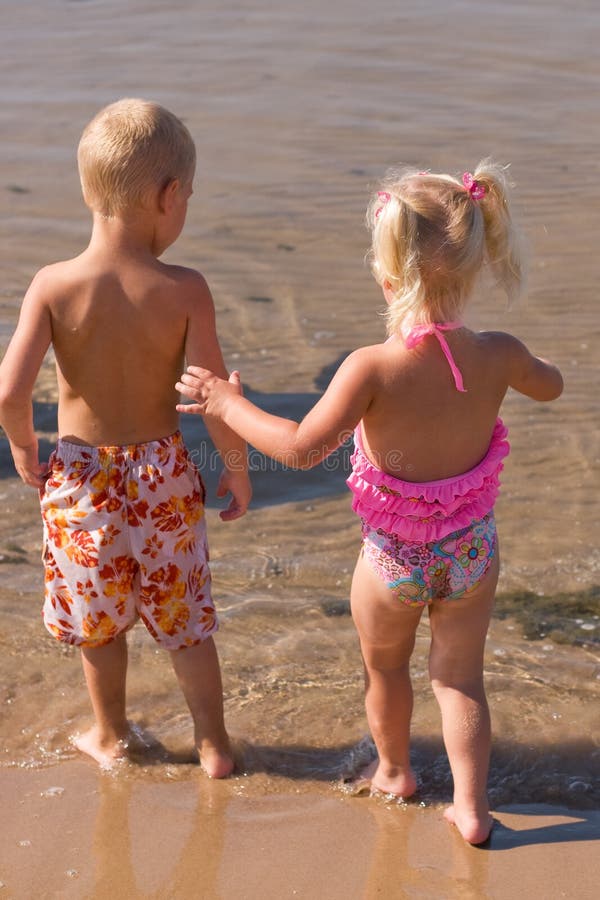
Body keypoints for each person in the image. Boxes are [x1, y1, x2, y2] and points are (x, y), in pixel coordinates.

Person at [175, 161, 563, 841]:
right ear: (475, 267)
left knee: (385, 669)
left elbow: (299, 449)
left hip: (392, 564)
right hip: (472, 553)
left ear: (387, 278)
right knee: (460, 680)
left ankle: (394, 771)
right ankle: (472, 809)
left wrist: (228, 403)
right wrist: (528, 366)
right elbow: (552, 386)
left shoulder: (371, 368)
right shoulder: (500, 354)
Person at [0, 98, 251, 776]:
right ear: (170, 196)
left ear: (89, 191)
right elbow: (214, 395)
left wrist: (26, 446)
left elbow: (8, 390)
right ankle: (214, 746)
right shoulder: (185, 288)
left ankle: (109, 737)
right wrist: (238, 471)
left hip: (81, 482)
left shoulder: (53, 286)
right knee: (185, 623)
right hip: (163, 476)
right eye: (189, 197)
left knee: (100, 623)